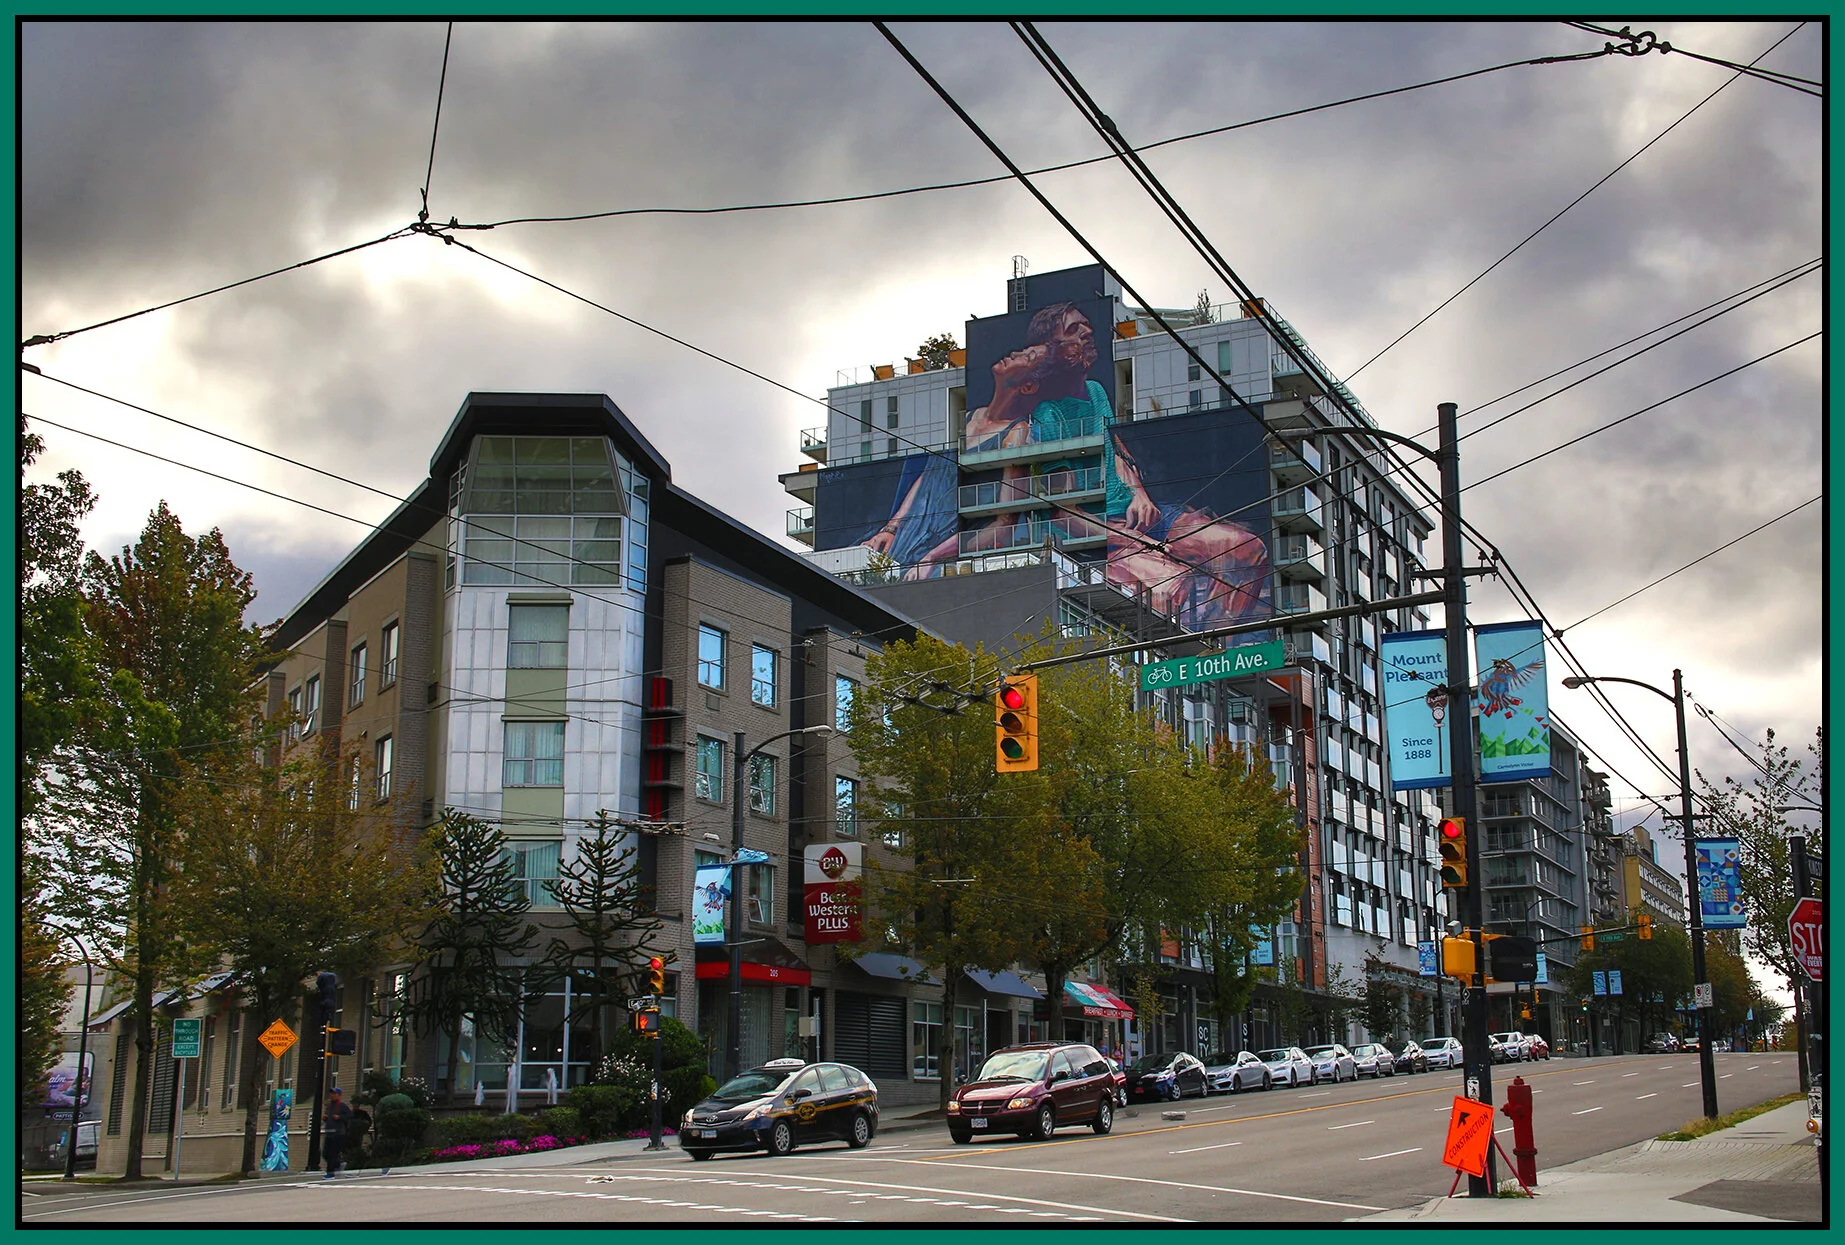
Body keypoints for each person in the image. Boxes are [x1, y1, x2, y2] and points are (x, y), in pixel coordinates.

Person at [322, 1086, 354, 1179]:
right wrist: (325, 1118)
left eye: (334, 1093)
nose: (332, 1095)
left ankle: (330, 1173)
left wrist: (340, 1117)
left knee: (332, 1154)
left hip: (338, 1133)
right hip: (329, 1132)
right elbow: (327, 1117)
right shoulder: (329, 1106)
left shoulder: (342, 1105)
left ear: (339, 1095)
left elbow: (350, 1116)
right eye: (331, 1093)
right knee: (325, 1153)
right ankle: (338, 1164)